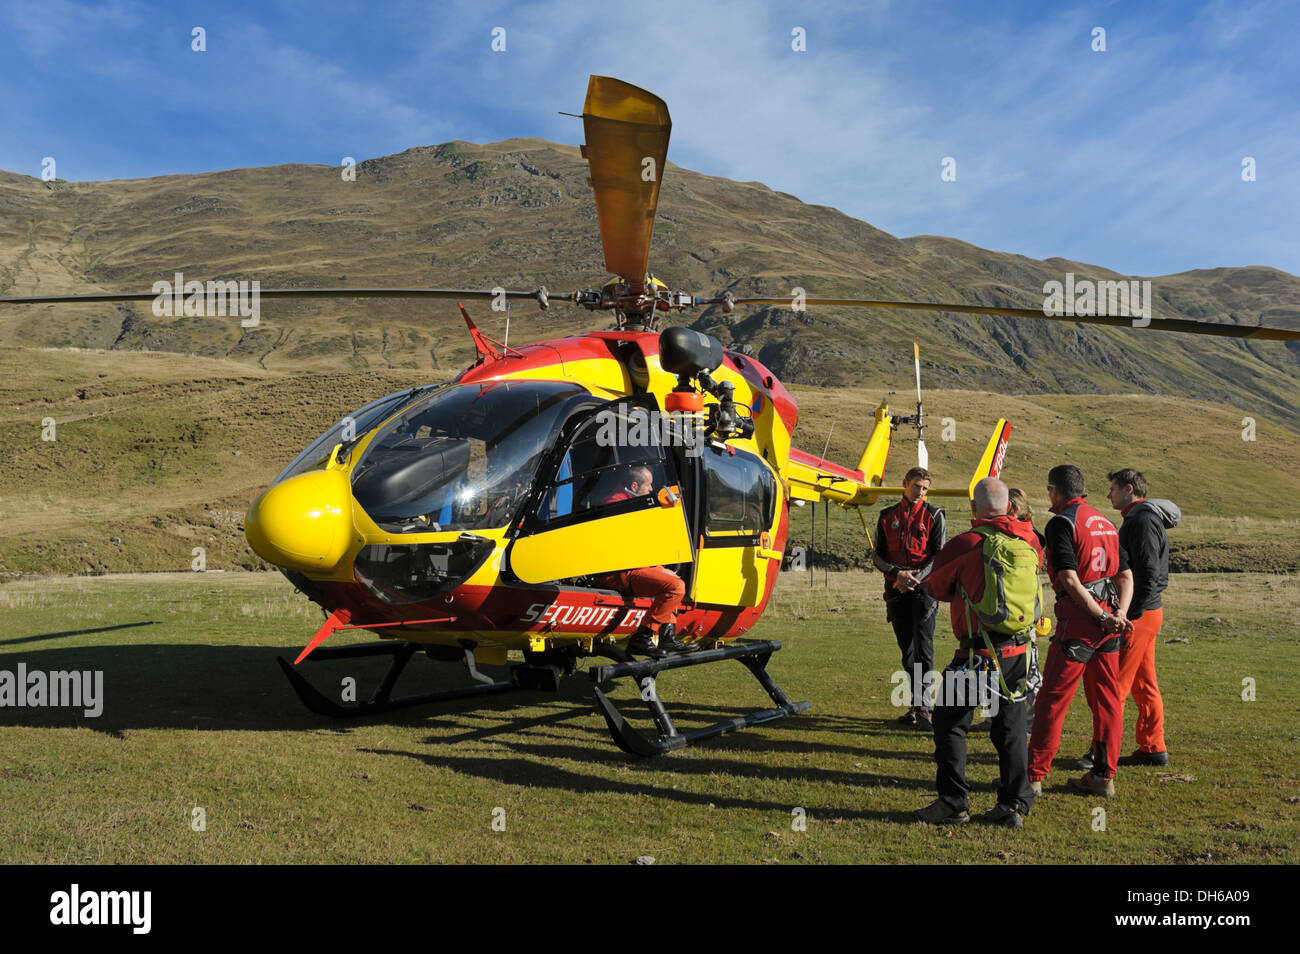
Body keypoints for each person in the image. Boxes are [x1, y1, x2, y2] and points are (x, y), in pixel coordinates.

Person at [914, 477, 1044, 827]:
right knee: (1011, 729)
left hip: (976, 656)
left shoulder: (965, 543)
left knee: (949, 724)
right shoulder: (1029, 541)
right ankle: (1013, 805)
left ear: (974, 508)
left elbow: (937, 587)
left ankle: (953, 801)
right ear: (1009, 506)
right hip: (1020, 653)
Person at [1027, 465, 1134, 798]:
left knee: (1052, 701)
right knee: (1107, 701)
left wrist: (1100, 617)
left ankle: (1032, 777)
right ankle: (1103, 777)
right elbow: (1125, 577)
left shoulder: (1062, 522)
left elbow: (1070, 579)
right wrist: (1118, 614)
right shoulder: (1106, 523)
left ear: (1055, 491)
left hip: (1080, 623)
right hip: (1108, 623)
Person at [1092, 468, 1178, 767]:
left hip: (1140, 615)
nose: (1108, 494)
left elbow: (1149, 573)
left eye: (1113, 489)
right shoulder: (1141, 518)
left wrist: (1128, 613)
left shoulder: (1141, 521)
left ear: (1129, 489)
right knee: (1144, 683)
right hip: (1149, 611)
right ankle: (1153, 746)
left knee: (1116, 684)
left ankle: (1101, 753)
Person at [873, 467, 946, 730]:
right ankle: (915, 705)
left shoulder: (935, 515)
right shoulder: (886, 516)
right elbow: (877, 556)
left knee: (923, 647)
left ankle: (925, 708)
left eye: (925, 488)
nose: (920, 492)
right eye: (916, 486)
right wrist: (897, 574)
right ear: (904, 484)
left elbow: (939, 555)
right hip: (895, 588)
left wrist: (913, 579)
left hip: (924, 591)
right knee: (906, 649)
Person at [597, 464, 692, 657]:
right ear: (634, 486)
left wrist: (658, 568)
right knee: (676, 586)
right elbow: (625, 552)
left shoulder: (628, 504)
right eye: (648, 485)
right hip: (617, 573)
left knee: (672, 579)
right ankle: (643, 636)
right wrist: (657, 568)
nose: (651, 489)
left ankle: (667, 638)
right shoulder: (617, 506)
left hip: (629, 567)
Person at [1006, 487, 1046, 735]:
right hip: (1018, 605)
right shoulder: (1033, 535)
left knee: (1028, 666)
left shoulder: (1028, 536)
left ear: (1014, 509)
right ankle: (998, 714)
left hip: (1022, 607)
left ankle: (1031, 720)